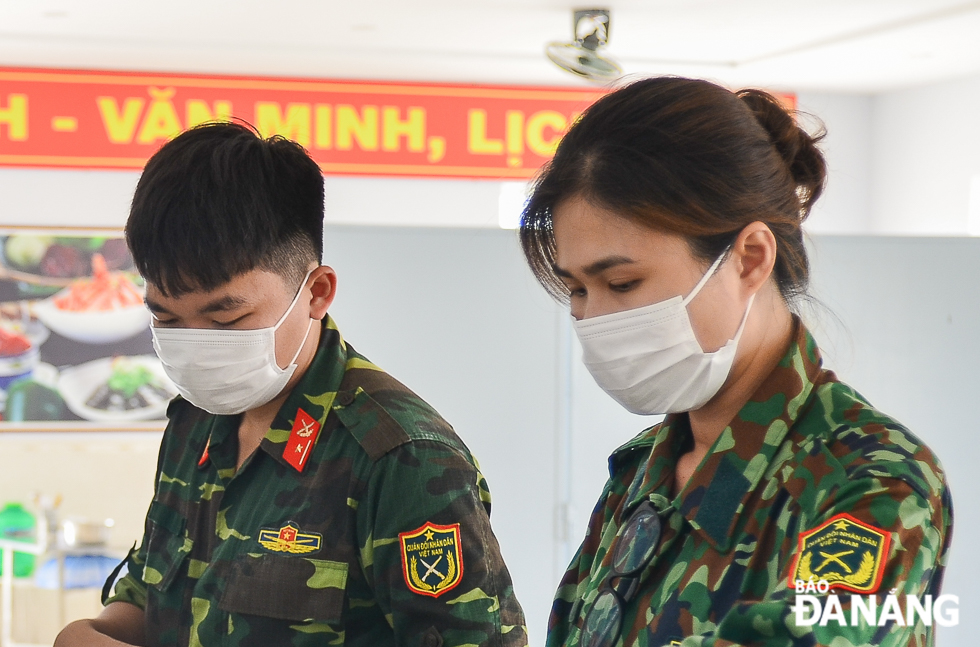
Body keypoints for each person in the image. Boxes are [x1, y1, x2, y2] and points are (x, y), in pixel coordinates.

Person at [55, 122, 527, 647]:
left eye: (226, 319)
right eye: (167, 319)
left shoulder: (399, 458)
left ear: (317, 293)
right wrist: (93, 632)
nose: (197, 345)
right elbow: (156, 591)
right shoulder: (195, 423)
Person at [519, 77, 952, 647]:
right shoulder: (642, 475)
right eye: (577, 290)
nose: (595, 319)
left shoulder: (870, 481)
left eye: (622, 283)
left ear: (749, 259)